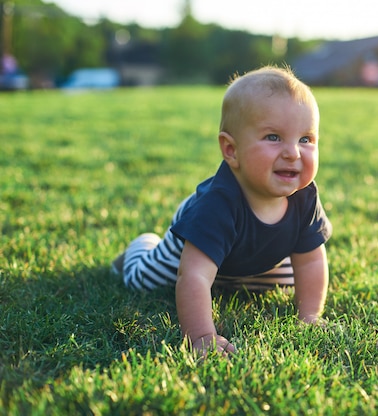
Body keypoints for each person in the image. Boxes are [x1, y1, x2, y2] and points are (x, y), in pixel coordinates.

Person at [111, 66, 332, 357]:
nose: (293, 152)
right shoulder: (216, 205)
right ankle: (140, 248)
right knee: (144, 282)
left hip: (256, 253)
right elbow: (194, 276)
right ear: (231, 150)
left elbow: (311, 261)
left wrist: (310, 316)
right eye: (274, 137)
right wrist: (202, 336)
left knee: (289, 280)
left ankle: (240, 273)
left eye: (305, 139)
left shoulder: (304, 196)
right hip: (190, 249)